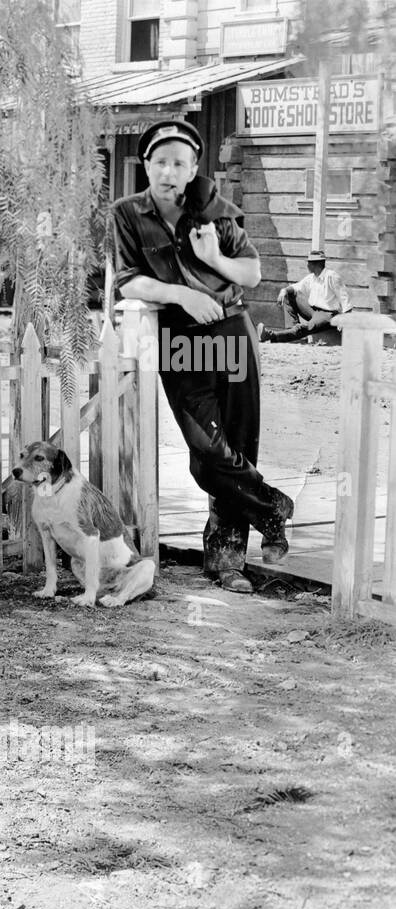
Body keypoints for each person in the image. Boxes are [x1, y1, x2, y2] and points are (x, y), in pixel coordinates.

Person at [109, 119, 294, 593]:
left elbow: (251, 274)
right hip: (181, 338)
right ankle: (273, 506)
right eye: (160, 161)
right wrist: (181, 294)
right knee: (207, 449)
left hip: (231, 331)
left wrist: (214, 259)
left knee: (237, 441)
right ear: (146, 164)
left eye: (180, 163)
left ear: (193, 169)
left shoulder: (216, 212)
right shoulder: (126, 214)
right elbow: (128, 280)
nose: (169, 171)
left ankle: (227, 559)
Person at [259, 250, 352, 344]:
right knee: (289, 294)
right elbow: (296, 287)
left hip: (328, 315)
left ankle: (271, 335)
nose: (307, 265)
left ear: (317, 264)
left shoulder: (332, 276)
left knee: (305, 328)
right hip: (312, 310)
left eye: (309, 263)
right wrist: (284, 291)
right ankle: (292, 333)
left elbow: (345, 301)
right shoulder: (312, 277)